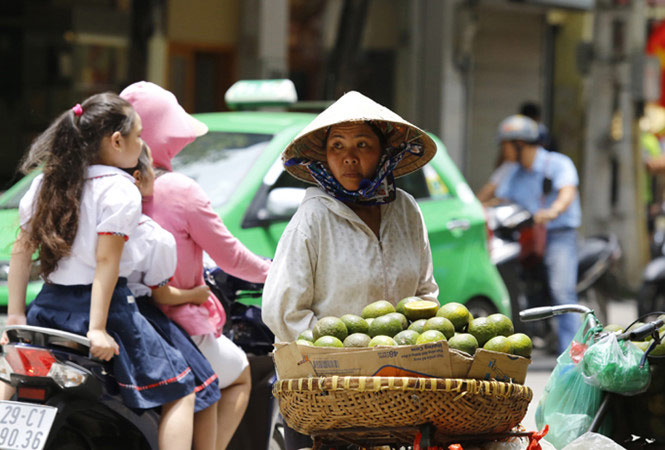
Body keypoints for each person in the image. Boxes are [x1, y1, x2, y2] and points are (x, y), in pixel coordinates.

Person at [3, 93, 196, 449]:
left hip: (47, 310)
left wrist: (16, 317)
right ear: (116, 140)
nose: (141, 145)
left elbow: (21, 248)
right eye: (138, 136)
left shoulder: (44, 183)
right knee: (182, 389)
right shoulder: (120, 189)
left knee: (14, 380)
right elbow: (107, 262)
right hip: (107, 313)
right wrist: (97, 328)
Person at [261, 91, 439, 449]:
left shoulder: (406, 211)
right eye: (337, 146)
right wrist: (345, 363)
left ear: (385, 152)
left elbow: (425, 293)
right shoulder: (312, 218)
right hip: (326, 397)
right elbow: (283, 312)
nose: (348, 158)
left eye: (362, 145)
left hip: (395, 391)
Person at [120, 81, 271, 450]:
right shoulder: (179, 190)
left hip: (115, 319)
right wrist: (277, 271)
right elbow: (231, 258)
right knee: (235, 374)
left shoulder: (106, 184)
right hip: (175, 321)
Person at [125, 142, 220, 450]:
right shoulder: (150, 234)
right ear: (140, 176)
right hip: (132, 310)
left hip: (53, 306)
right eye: (152, 165)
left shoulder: (72, 206)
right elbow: (161, 295)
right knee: (198, 384)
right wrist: (196, 293)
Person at [494, 114, 581, 354]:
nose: (503, 150)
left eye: (505, 144)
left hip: (558, 235)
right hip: (526, 239)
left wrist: (553, 211)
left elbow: (567, 192)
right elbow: (499, 198)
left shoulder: (558, 164)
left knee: (562, 292)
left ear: (520, 144)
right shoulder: (513, 172)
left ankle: (572, 355)